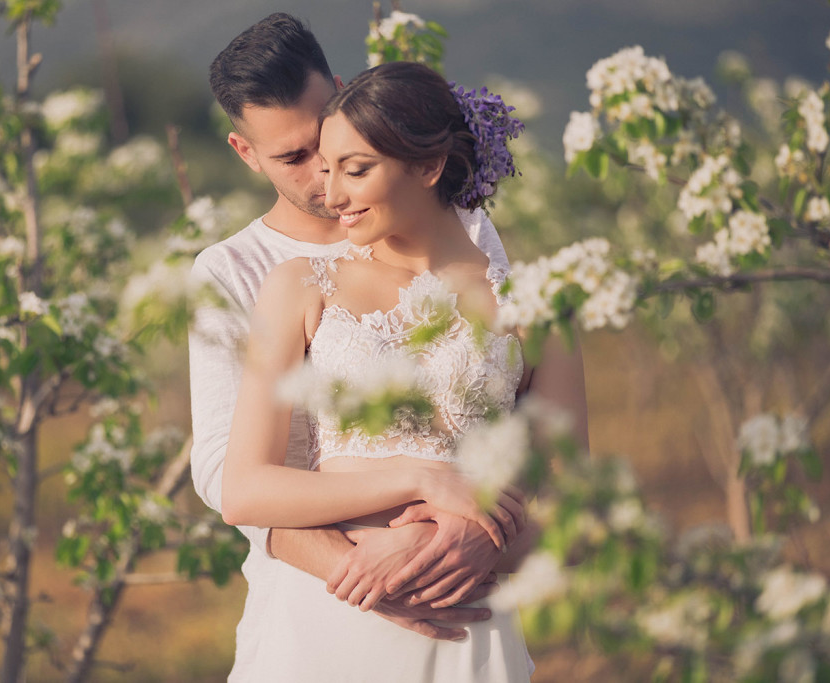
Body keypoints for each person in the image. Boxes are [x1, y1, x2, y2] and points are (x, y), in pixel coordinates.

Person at [189, 13, 582, 681]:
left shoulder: (484, 253)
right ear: (245, 152)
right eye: (297, 157)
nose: (326, 181)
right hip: (330, 594)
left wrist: (479, 541)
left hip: (470, 612)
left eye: (340, 152)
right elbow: (228, 475)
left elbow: (533, 459)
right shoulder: (246, 273)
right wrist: (374, 564)